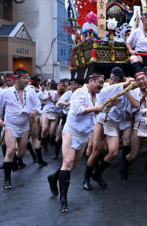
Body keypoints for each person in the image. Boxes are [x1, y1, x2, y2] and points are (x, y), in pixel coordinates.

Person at [47, 73, 105, 213]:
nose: (101, 85)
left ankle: (53, 177)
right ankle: (63, 200)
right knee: (67, 162)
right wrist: (96, 109)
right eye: (99, 83)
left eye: (103, 83)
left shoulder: (97, 95)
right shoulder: (79, 92)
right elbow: (78, 110)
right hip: (71, 131)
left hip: (84, 134)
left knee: (73, 165)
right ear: (91, 81)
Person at [83, 67, 135, 190]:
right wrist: (125, 84)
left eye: (115, 80)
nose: (111, 81)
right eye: (111, 78)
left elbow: (128, 109)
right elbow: (107, 92)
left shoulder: (125, 91)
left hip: (113, 123)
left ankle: (98, 174)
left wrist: (126, 89)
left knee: (113, 152)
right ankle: (86, 178)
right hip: (101, 120)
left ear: (120, 80)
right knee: (96, 150)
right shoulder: (105, 87)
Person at [0, 69, 41, 189]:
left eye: (27, 78)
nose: (26, 80)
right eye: (24, 78)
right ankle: (7, 180)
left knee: (21, 153)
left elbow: (37, 104)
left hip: (25, 125)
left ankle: (13, 160)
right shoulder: (5, 92)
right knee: (10, 150)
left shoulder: (31, 92)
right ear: (16, 79)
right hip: (11, 125)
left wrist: (35, 111)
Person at [121, 68, 147, 194]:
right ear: (136, 82)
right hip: (139, 124)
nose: (141, 81)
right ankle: (124, 167)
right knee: (134, 154)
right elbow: (135, 106)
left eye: (143, 78)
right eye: (138, 80)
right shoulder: (134, 92)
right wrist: (127, 92)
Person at [55, 79, 80, 159]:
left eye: (75, 84)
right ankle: (56, 152)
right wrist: (66, 103)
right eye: (71, 84)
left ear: (78, 85)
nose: (73, 86)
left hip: (77, 118)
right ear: (69, 86)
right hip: (66, 116)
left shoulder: (82, 93)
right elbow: (59, 102)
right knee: (59, 136)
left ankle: (72, 154)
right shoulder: (68, 93)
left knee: (74, 138)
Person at [41, 81, 65, 153]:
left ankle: (53, 142)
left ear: (64, 87)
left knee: (51, 132)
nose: (60, 87)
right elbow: (43, 99)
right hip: (47, 111)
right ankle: (44, 147)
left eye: (62, 86)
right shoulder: (51, 92)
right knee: (44, 129)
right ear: (56, 87)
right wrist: (48, 98)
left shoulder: (65, 95)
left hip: (56, 113)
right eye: (59, 85)